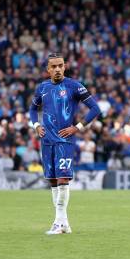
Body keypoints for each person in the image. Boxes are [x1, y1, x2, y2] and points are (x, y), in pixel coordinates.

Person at [29, 53, 102, 235]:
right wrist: (36, 125)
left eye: (60, 65)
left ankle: (59, 223)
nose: (57, 69)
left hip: (65, 140)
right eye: (53, 66)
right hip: (46, 141)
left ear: (65, 66)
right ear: (48, 69)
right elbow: (32, 109)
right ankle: (63, 222)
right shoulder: (42, 88)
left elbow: (95, 109)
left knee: (63, 180)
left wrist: (77, 127)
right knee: (53, 181)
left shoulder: (74, 86)